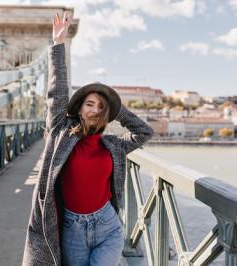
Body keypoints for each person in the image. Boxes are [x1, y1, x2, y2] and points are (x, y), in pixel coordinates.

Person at [23, 11, 154, 266]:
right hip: (73, 229)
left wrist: (114, 106)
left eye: (100, 107)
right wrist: (58, 44)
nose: (94, 110)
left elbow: (144, 132)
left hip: (108, 226)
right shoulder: (61, 134)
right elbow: (57, 92)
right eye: (89, 104)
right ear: (79, 108)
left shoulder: (113, 145)